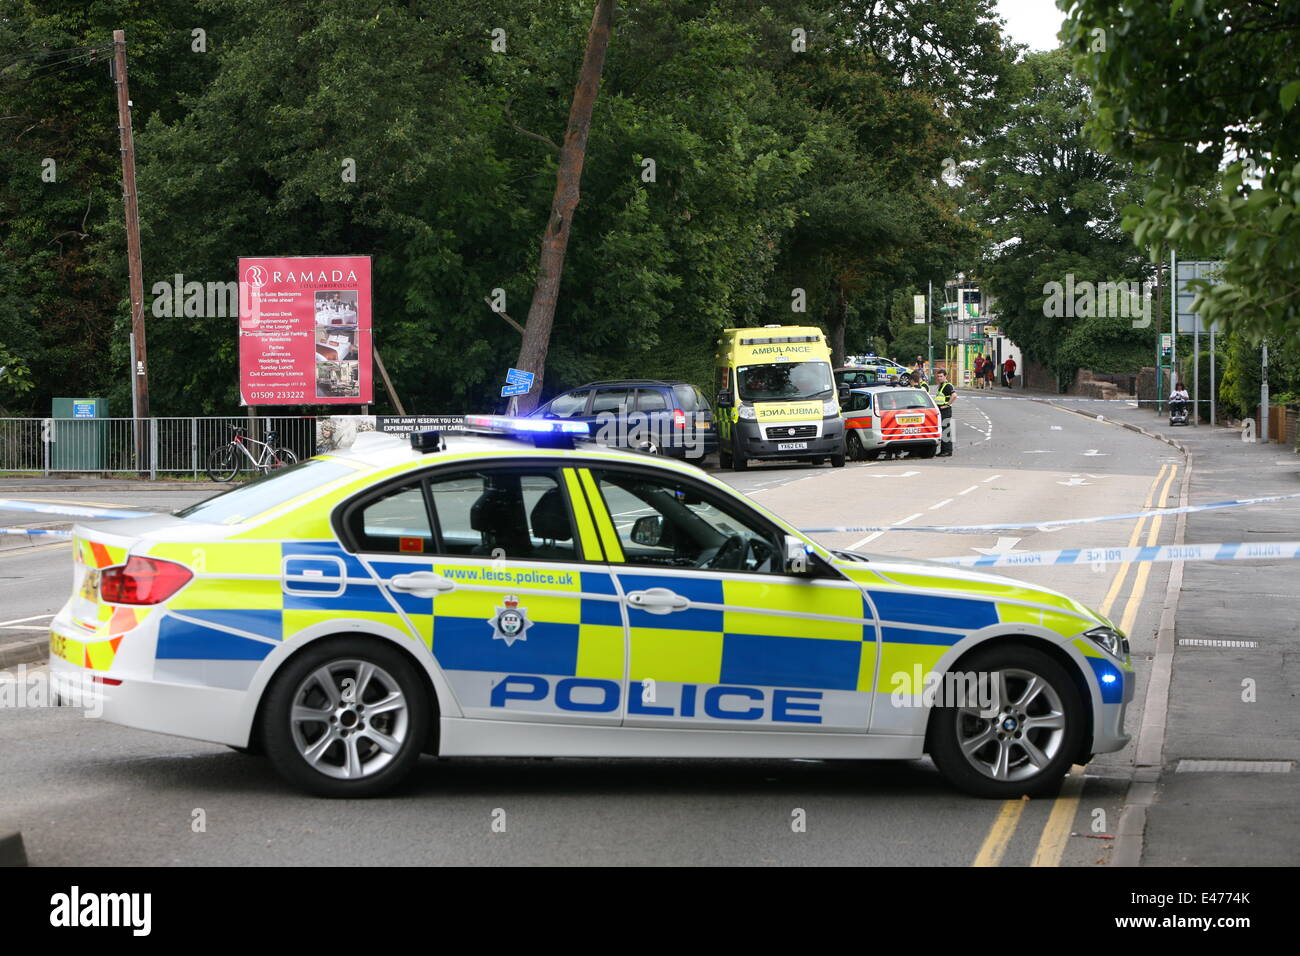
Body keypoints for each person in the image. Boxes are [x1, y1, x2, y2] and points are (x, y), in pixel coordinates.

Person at [934, 369, 956, 456]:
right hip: (941, 410)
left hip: (945, 411)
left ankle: (947, 451)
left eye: (941, 376)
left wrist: (947, 404)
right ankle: (943, 451)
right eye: (938, 376)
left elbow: (954, 395)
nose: (939, 378)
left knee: (945, 431)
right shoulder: (941, 385)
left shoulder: (948, 386)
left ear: (945, 376)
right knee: (943, 430)